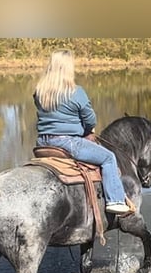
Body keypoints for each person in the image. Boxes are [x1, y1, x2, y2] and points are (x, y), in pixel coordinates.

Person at [33, 49, 131, 215]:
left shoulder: (39, 92)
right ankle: (115, 201)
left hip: (43, 142)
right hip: (68, 142)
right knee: (108, 157)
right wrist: (87, 130)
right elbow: (90, 119)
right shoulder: (76, 91)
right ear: (68, 68)